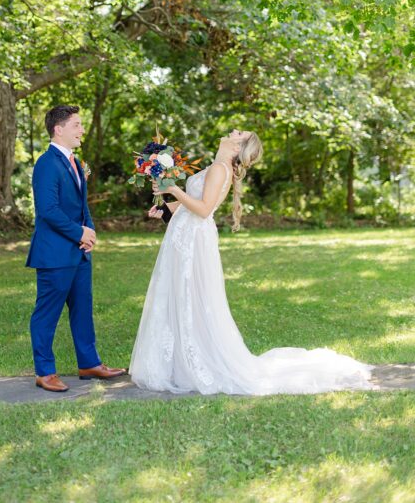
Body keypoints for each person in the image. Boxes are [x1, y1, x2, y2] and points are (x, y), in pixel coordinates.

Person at [131, 129, 374, 395]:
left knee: (193, 297)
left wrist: (173, 189)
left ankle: (197, 362)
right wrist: (166, 207)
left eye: (237, 133)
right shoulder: (216, 166)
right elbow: (196, 204)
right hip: (184, 238)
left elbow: (203, 210)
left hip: (194, 240)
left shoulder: (221, 169)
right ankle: (180, 362)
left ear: (238, 146)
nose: (230, 131)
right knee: (182, 295)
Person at [26, 105, 127, 392]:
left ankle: (89, 363)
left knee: (83, 309)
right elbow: (48, 210)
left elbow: (81, 206)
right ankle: (45, 372)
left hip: (80, 251)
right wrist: (78, 232)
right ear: (59, 129)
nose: (82, 130)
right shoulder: (46, 164)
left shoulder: (75, 161)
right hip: (55, 253)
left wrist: (89, 233)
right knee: (46, 313)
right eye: (77, 125)